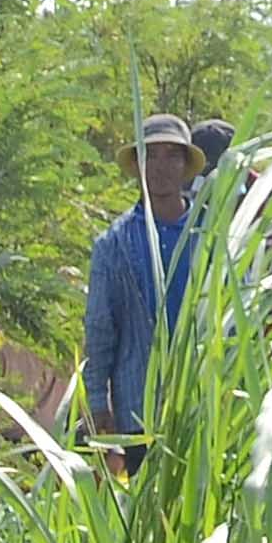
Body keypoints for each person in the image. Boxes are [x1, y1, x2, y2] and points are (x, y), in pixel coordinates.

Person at [78, 115, 209, 471]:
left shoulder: (212, 236)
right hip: (139, 408)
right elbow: (100, 328)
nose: (161, 167)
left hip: (206, 405)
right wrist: (97, 402)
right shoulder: (113, 244)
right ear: (137, 166)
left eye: (172, 156)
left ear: (185, 166)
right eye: (151, 155)